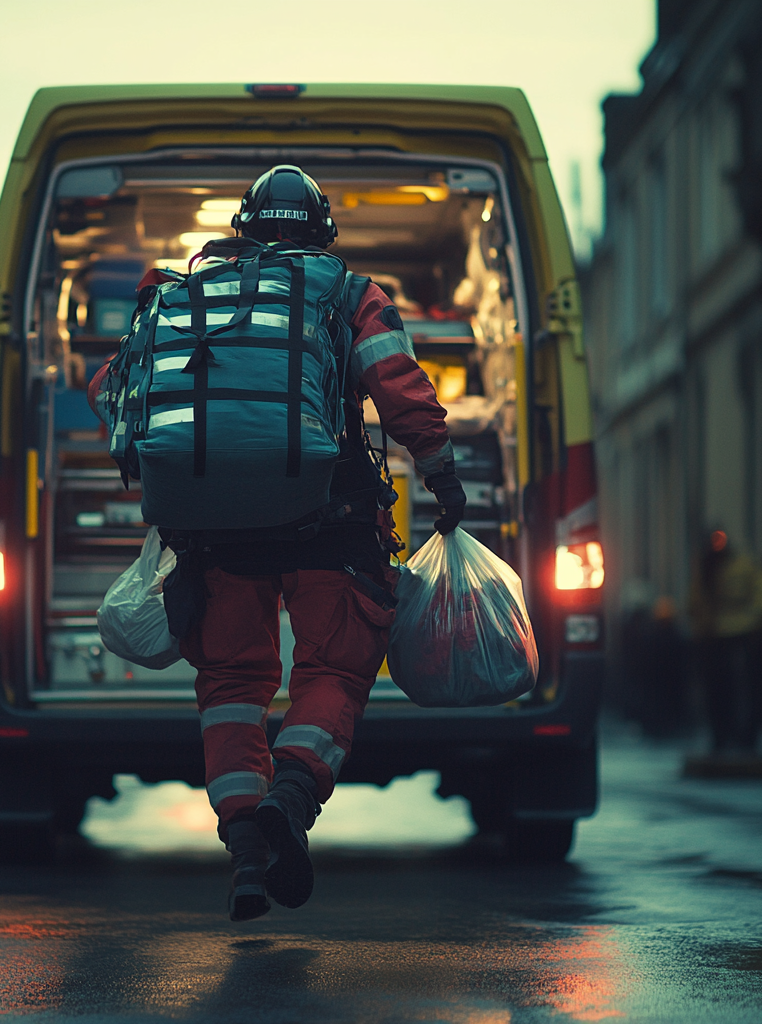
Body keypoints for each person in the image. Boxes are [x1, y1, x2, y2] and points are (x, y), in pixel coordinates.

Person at [88, 165, 464, 920]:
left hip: (214, 534)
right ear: (323, 231)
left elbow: (111, 389)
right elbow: (398, 386)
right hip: (331, 521)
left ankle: (245, 851)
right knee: (334, 668)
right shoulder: (351, 292)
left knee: (231, 688)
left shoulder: (183, 292)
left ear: (244, 227)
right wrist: (441, 475)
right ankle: (290, 797)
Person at [688, 529, 762, 759]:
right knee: (718, 690)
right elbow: (697, 602)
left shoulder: (745, 566)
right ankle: (721, 735)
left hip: (744, 636)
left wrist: (753, 621)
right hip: (715, 638)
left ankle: (745, 736)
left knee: (747, 689)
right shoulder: (706, 570)